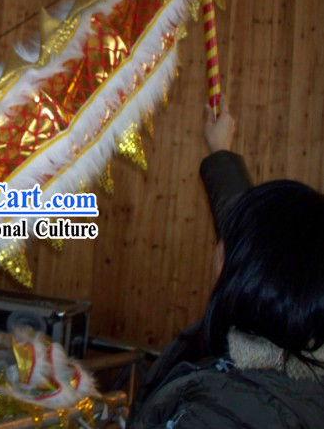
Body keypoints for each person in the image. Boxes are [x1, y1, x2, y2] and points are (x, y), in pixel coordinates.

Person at [130, 101, 324, 427]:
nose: (218, 248)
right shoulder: (296, 335)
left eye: (228, 244)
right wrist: (220, 150)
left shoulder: (220, 414)